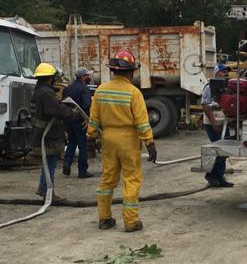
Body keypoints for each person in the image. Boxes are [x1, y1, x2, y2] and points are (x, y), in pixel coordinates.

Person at [88, 49, 157, 231]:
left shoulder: (100, 90)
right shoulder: (133, 93)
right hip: (128, 139)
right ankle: (131, 221)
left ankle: (104, 218)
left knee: (107, 179)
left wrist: (90, 137)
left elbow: (93, 119)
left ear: (112, 70)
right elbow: (142, 122)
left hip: (108, 138)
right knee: (131, 179)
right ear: (131, 71)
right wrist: (149, 143)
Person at [31, 62, 81, 199]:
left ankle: (43, 188)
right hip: (48, 136)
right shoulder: (47, 94)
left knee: (48, 163)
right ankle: (47, 191)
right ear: (50, 78)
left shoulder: (39, 91)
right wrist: (73, 113)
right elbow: (58, 111)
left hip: (42, 134)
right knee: (50, 164)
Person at [201, 63, 233, 188]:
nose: (225, 73)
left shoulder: (227, 87)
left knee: (225, 150)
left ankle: (219, 177)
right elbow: (205, 105)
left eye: (226, 71)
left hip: (224, 123)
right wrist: (214, 122)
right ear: (216, 72)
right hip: (212, 124)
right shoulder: (209, 87)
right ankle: (211, 176)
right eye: (223, 71)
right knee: (219, 150)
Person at [62, 67, 94, 178]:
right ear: (82, 77)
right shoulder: (84, 89)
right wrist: (86, 118)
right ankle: (82, 171)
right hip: (80, 121)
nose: (88, 77)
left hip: (69, 120)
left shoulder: (67, 89)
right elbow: (86, 105)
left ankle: (66, 163)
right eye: (87, 75)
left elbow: (64, 104)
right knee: (82, 146)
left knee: (71, 143)